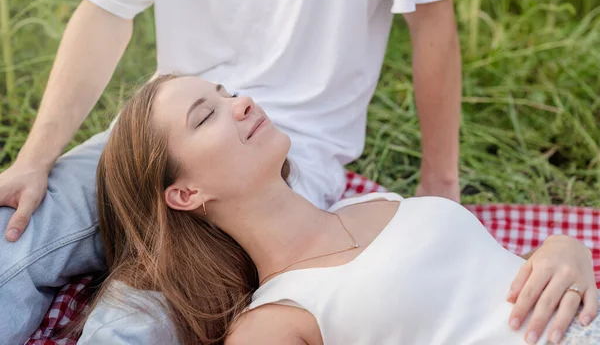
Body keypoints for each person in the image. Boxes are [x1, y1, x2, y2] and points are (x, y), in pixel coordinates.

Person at [0, 0, 580, 343]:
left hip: (288, 147)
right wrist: (34, 161)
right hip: (164, 129)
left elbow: (432, 24)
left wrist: (442, 190)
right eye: (227, 98)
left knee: (146, 303)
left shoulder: (261, 132)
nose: (243, 98)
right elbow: (105, 9)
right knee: (17, 232)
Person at [79, 74, 599, 345]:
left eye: (227, 92)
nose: (241, 103)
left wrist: (563, 251)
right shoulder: (272, 323)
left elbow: (485, 278)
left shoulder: (372, 202)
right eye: (205, 116)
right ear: (185, 194)